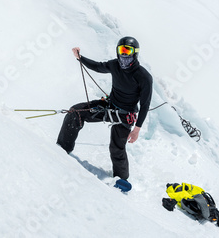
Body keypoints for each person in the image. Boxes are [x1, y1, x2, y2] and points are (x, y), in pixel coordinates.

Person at [56, 36, 153, 181]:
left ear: (135, 53)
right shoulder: (115, 65)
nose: (124, 54)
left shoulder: (144, 77)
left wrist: (137, 130)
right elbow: (98, 66)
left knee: (116, 148)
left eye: (128, 50)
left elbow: (145, 105)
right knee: (75, 112)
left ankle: (121, 179)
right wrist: (80, 58)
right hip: (109, 106)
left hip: (125, 116)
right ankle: (61, 150)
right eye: (122, 50)